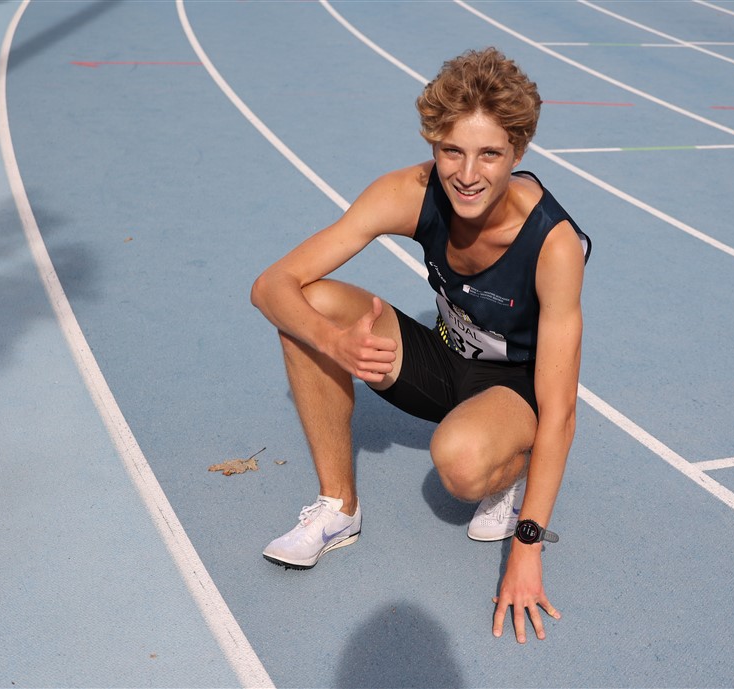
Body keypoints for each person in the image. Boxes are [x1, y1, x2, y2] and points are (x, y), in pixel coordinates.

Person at [250, 47, 590, 644]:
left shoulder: (551, 245)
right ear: (433, 143)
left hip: (513, 389)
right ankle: (338, 508)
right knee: (311, 305)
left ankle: (510, 469)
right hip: (444, 355)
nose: (468, 174)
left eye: (490, 154)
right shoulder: (408, 192)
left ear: (518, 152)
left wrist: (527, 547)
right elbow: (271, 285)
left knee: (459, 463)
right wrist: (334, 342)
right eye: (452, 150)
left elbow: (560, 410)